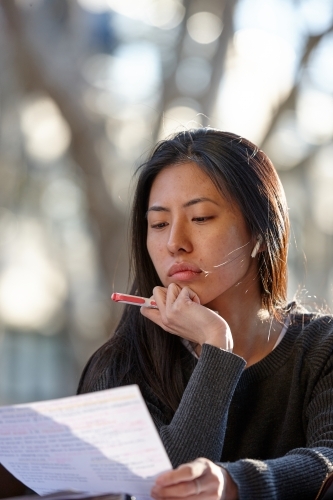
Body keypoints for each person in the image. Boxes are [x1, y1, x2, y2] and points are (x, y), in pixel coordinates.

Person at [77, 128, 333, 500]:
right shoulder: (122, 364)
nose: (174, 242)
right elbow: (165, 488)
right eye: (159, 224)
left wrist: (234, 484)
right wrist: (218, 349)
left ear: (261, 233)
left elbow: (328, 462)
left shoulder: (321, 349)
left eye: (200, 218)